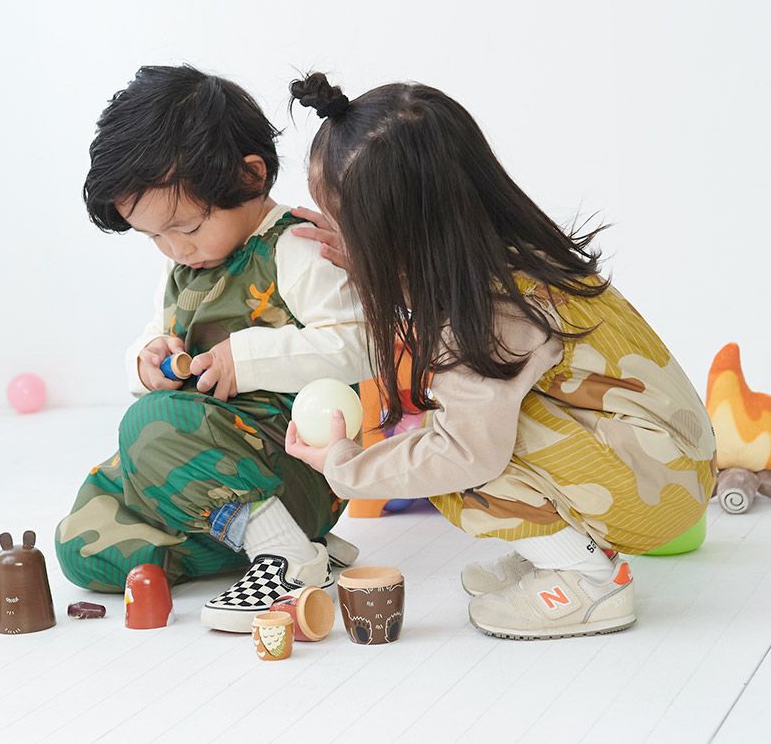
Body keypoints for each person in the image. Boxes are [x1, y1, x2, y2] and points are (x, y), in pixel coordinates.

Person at [285, 73, 716, 640]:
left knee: (448, 455)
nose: (344, 237)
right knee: (466, 427)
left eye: (350, 224)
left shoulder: (484, 318)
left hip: (655, 496)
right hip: (672, 465)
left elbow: (465, 453)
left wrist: (345, 466)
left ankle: (588, 579)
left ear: (398, 231)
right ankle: (564, 548)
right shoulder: (517, 259)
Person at [55, 65, 370, 632]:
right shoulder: (184, 266)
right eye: (154, 236)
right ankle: (275, 542)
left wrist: (244, 361)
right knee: (82, 542)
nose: (174, 249)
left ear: (249, 176)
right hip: (198, 461)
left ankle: (287, 555)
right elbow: (156, 334)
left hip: (291, 461)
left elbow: (357, 347)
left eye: (186, 226)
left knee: (148, 425)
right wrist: (148, 360)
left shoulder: (296, 246)